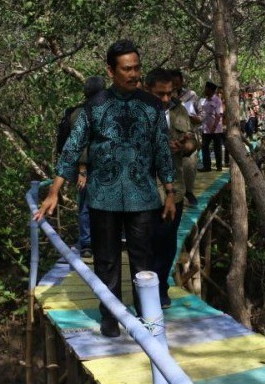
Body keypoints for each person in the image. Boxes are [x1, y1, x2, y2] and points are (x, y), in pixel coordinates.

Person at [34, 40, 176, 338]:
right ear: (111, 70)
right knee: (106, 260)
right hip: (103, 196)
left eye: (137, 67)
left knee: (143, 260)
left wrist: (171, 192)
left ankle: (147, 319)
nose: (134, 74)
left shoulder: (151, 106)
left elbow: (162, 150)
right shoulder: (94, 108)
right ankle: (110, 318)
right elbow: (72, 149)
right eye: (127, 69)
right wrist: (54, 191)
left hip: (141, 197)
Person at [145, 68, 197, 309]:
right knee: (146, 243)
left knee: (167, 243)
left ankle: (161, 288)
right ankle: (146, 291)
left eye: (170, 93)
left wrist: (186, 146)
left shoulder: (180, 111)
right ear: (148, 90)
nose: (166, 99)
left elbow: (193, 141)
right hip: (144, 191)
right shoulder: (136, 113)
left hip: (173, 189)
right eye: (160, 94)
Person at [59, 76, 106, 258]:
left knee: (89, 205)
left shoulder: (80, 111)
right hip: (89, 168)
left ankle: (90, 243)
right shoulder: (84, 112)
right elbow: (81, 145)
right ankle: (89, 243)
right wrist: (82, 171)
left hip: (95, 167)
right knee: (89, 204)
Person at [171, 69, 201, 206]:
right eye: (173, 84)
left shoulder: (191, 95)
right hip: (171, 138)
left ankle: (188, 191)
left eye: (178, 83)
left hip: (189, 134)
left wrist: (193, 118)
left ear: (182, 82)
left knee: (189, 165)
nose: (175, 86)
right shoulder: (163, 97)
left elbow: (202, 116)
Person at [200, 81, 223, 171]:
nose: (205, 90)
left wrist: (213, 127)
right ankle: (207, 167)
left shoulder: (217, 100)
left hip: (215, 129)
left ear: (211, 90)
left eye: (206, 88)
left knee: (217, 148)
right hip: (206, 129)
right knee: (204, 147)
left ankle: (219, 166)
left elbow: (218, 115)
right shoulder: (205, 100)